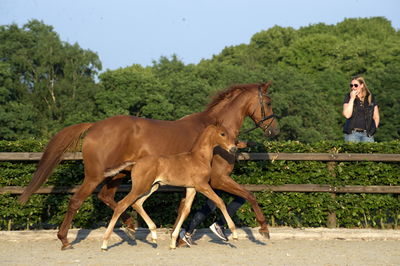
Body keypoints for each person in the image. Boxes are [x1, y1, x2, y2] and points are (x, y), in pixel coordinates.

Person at [178, 190, 245, 246]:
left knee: (240, 198)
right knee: (211, 206)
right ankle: (187, 233)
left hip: (222, 181)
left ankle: (187, 233)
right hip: (214, 181)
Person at [342, 76, 380, 143]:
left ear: (362, 85)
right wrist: (352, 98)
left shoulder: (370, 97)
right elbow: (347, 115)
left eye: (356, 85)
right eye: (351, 85)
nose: (353, 87)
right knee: (351, 153)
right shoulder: (348, 97)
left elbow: (376, 117)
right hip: (352, 133)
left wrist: (372, 130)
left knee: (368, 152)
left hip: (367, 134)